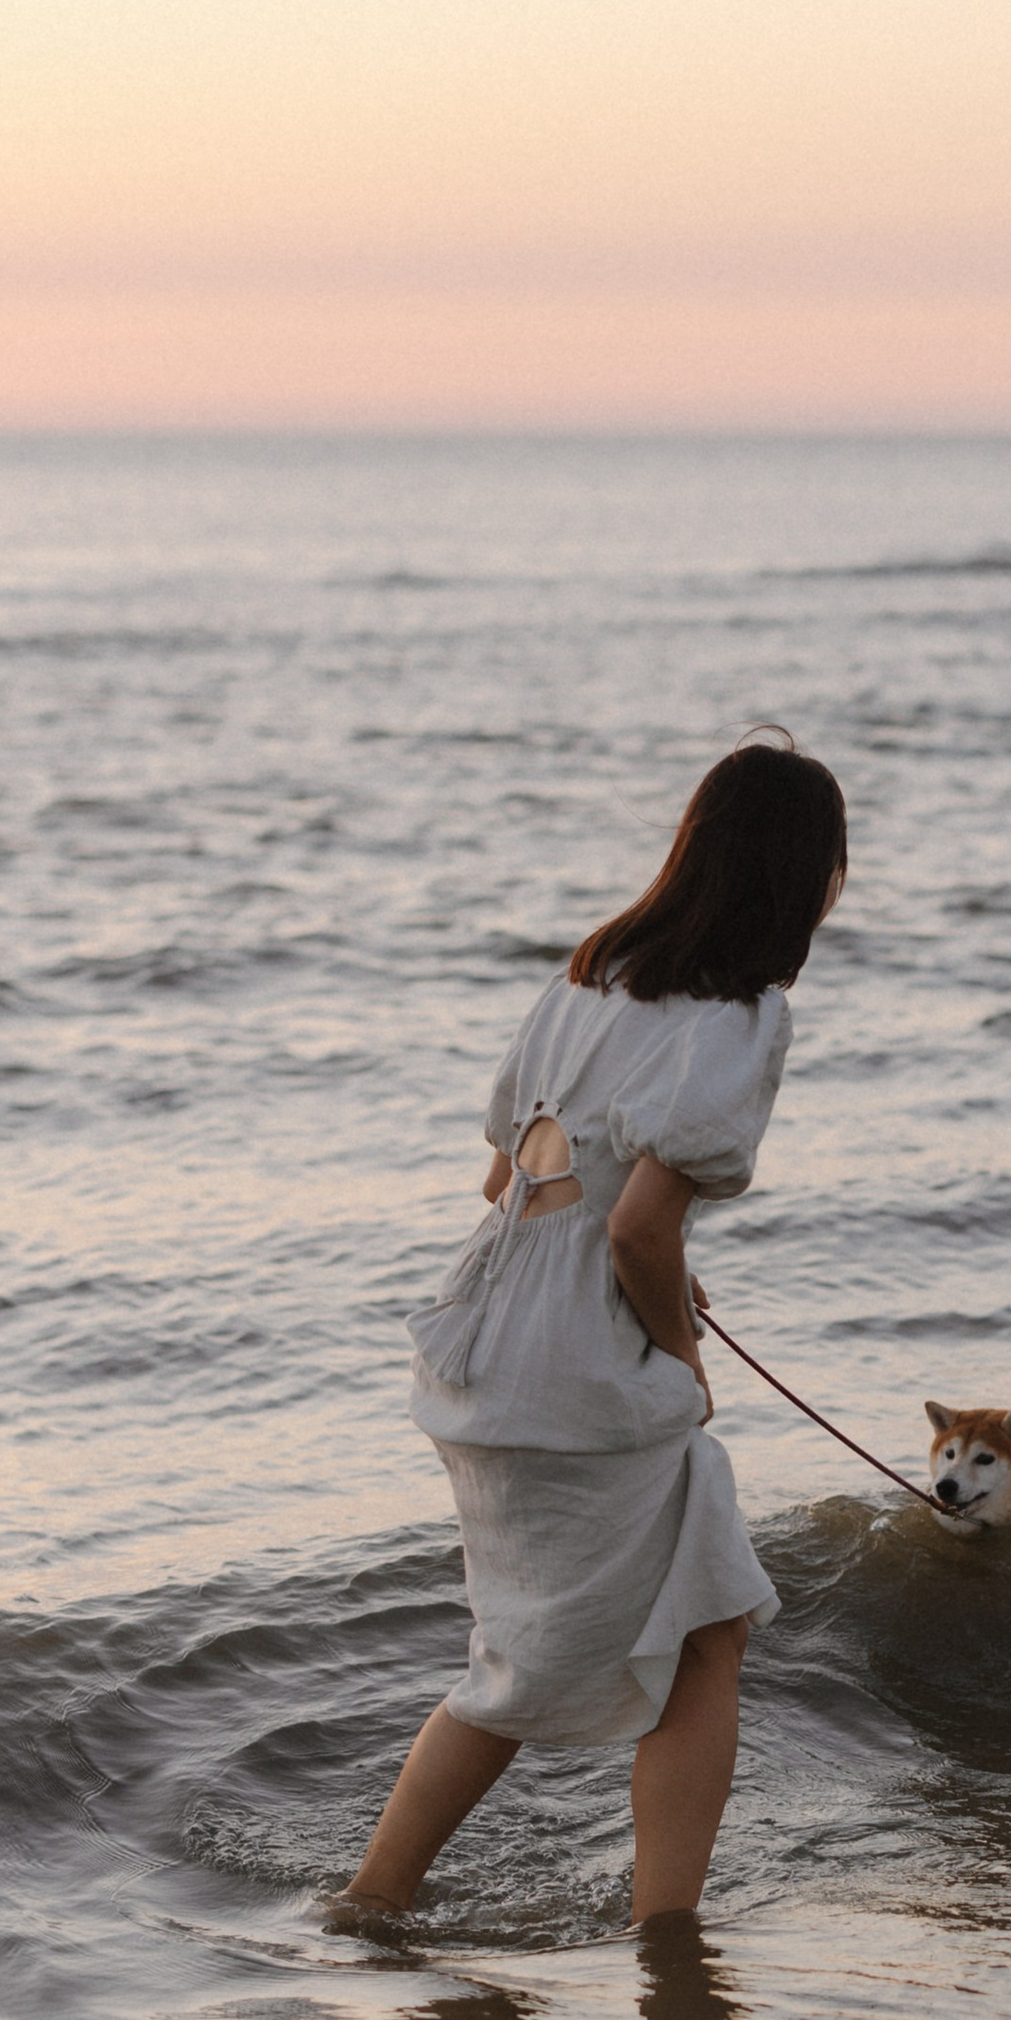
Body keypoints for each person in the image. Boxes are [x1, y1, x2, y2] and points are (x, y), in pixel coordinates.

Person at [343, 738, 848, 1919]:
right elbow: (634, 1232)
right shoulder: (742, 1017)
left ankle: (418, 1901)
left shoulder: (586, 978)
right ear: (800, 878)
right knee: (548, 1672)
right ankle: (615, 1923)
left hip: (485, 1345)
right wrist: (678, 1349)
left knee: (667, 1636)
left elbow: (510, 1188)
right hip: (580, 1381)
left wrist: (647, 1273)